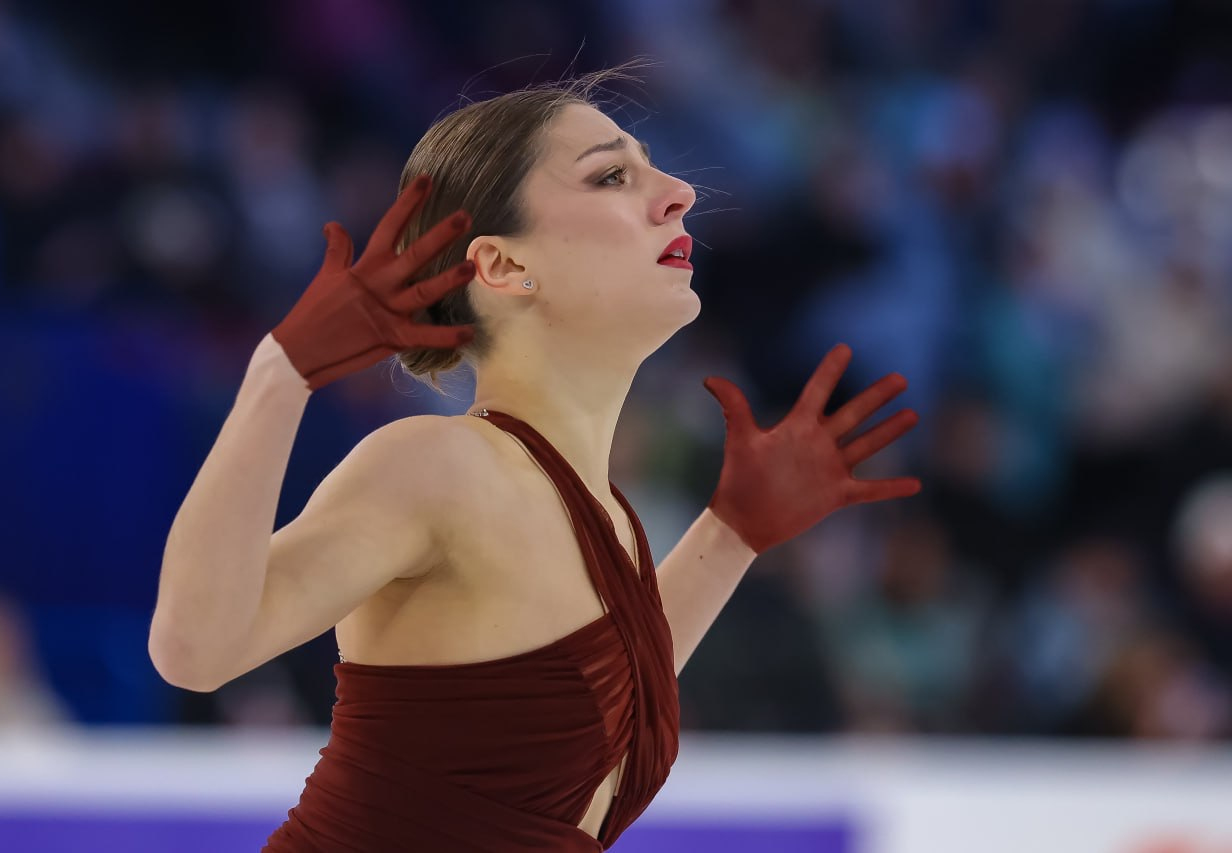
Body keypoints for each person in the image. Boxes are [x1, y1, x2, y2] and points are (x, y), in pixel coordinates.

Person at [148, 63, 921, 852]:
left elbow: (584, 746)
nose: (680, 192)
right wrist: (281, 373)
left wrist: (731, 535)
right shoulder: (437, 466)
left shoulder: (609, 518)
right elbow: (195, 649)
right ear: (505, 265)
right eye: (612, 175)